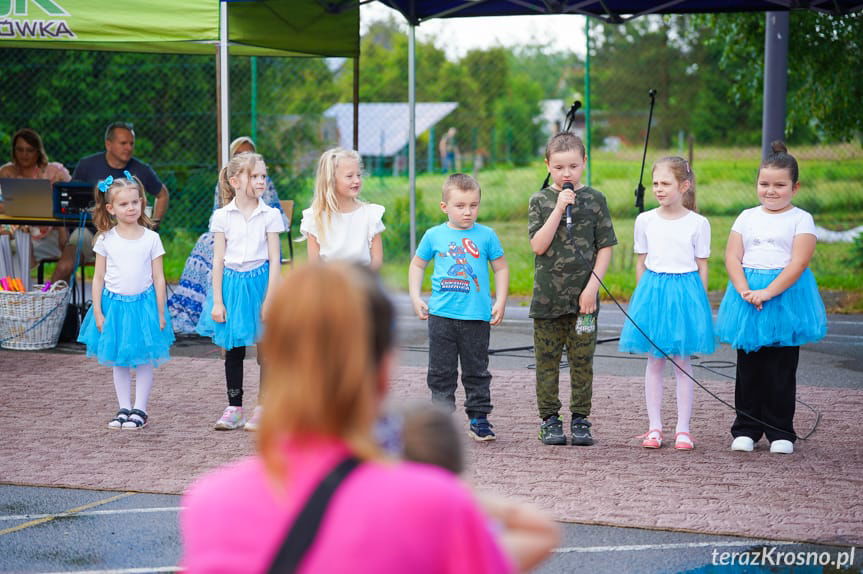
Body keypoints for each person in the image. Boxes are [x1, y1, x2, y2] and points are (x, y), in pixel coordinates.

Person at [181, 263, 528, 573]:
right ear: (385, 366)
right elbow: (529, 536)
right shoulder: (434, 504)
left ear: (275, 355)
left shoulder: (209, 503)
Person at [716, 141, 827, 455]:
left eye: (780, 185)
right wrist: (744, 290)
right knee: (748, 366)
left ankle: (781, 431)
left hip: (784, 296)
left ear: (795, 186)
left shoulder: (801, 218)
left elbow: (799, 262)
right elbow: (732, 256)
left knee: (780, 367)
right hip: (747, 294)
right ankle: (746, 429)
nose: (771, 191)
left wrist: (768, 291)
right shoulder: (746, 216)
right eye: (764, 184)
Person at [618, 157, 714, 450]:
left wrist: (700, 303)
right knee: (655, 361)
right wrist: (641, 300)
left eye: (666, 184)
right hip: (653, 293)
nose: (659, 189)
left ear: (684, 186)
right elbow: (640, 263)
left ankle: (683, 429)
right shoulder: (645, 220)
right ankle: (654, 427)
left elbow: (702, 267)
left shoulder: (698, 223)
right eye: (655, 184)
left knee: (683, 362)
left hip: (685, 293)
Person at [528, 132, 617, 447]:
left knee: (582, 360)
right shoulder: (540, 201)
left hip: (585, 302)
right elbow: (538, 245)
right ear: (548, 165)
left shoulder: (595, 199)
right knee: (547, 361)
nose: (567, 174)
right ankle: (549, 420)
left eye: (573, 166)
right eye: (559, 167)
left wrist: (592, 289)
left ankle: (581, 418)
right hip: (547, 301)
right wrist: (558, 208)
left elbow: (605, 247)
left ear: (585, 163)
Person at [409, 173, 509, 441]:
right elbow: (418, 264)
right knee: (441, 371)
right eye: (460, 206)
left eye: (473, 205)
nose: (468, 212)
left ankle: (479, 418)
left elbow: (500, 267)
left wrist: (500, 300)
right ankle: (440, 420)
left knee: (477, 369)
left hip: (476, 317)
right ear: (445, 207)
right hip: (441, 316)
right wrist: (416, 296)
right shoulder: (434, 235)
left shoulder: (487, 236)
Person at [76, 171, 174, 430]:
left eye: (135, 201)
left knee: (143, 358)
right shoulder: (106, 240)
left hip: (143, 307)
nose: (131, 207)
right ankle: (123, 407)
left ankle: (140, 408)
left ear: (142, 202)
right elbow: (97, 278)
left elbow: (159, 278)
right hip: (114, 307)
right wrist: (97, 311)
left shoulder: (151, 238)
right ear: (111, 208)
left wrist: (161, 311)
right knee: (118, 358)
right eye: (123, 203)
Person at [195, 152, 283, 432]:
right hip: (231, 287)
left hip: (261, 285)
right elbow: (218, 260)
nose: (261, 181)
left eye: (263, 175)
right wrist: (218, 300)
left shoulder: (270, 216)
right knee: (233, 348)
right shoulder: (222, 217)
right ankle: (234, 408)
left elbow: (275, 261)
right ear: (235, 181)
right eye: (254, 176)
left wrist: (270, 299)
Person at [167, 136, 287, 334]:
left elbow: (278, 215)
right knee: (207, 245)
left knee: (263, 340)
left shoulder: (264, 188)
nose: (259, 179)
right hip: (230, 248)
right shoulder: (224, 197)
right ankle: (200, 301)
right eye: (240, 154)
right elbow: (217, 215)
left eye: (249, 153)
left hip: (260, 252)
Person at [61, 122, 170, 284]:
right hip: (90, 231)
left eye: (131, 143)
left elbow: (163, 194)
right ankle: (51, 304)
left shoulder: (142, 170)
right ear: (108, 144)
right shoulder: (87, 165)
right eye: (123, 143)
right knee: (65, 265)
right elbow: (71, 200)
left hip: (130, 234)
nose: (128, 148)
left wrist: (153, 223)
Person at [300, 147, 384, 269]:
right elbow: (314, 265)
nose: (357, 180)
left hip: (362, 283)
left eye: (359, 175)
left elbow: (377, 260)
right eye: (349, 176)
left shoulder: (370, 215)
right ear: (331, 180)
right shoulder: (315, 217)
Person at [0, 128, 72, 270]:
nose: (24, 155)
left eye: (29, 150)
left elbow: (72, 200)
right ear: (14, 151)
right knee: (9, 242)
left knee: (18, 245)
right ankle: (15, 289)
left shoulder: (54, 171)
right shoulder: (6, 172)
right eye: (20, 150)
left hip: (49, 235)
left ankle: (21, 289)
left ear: (38, 151)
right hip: (12, 230)